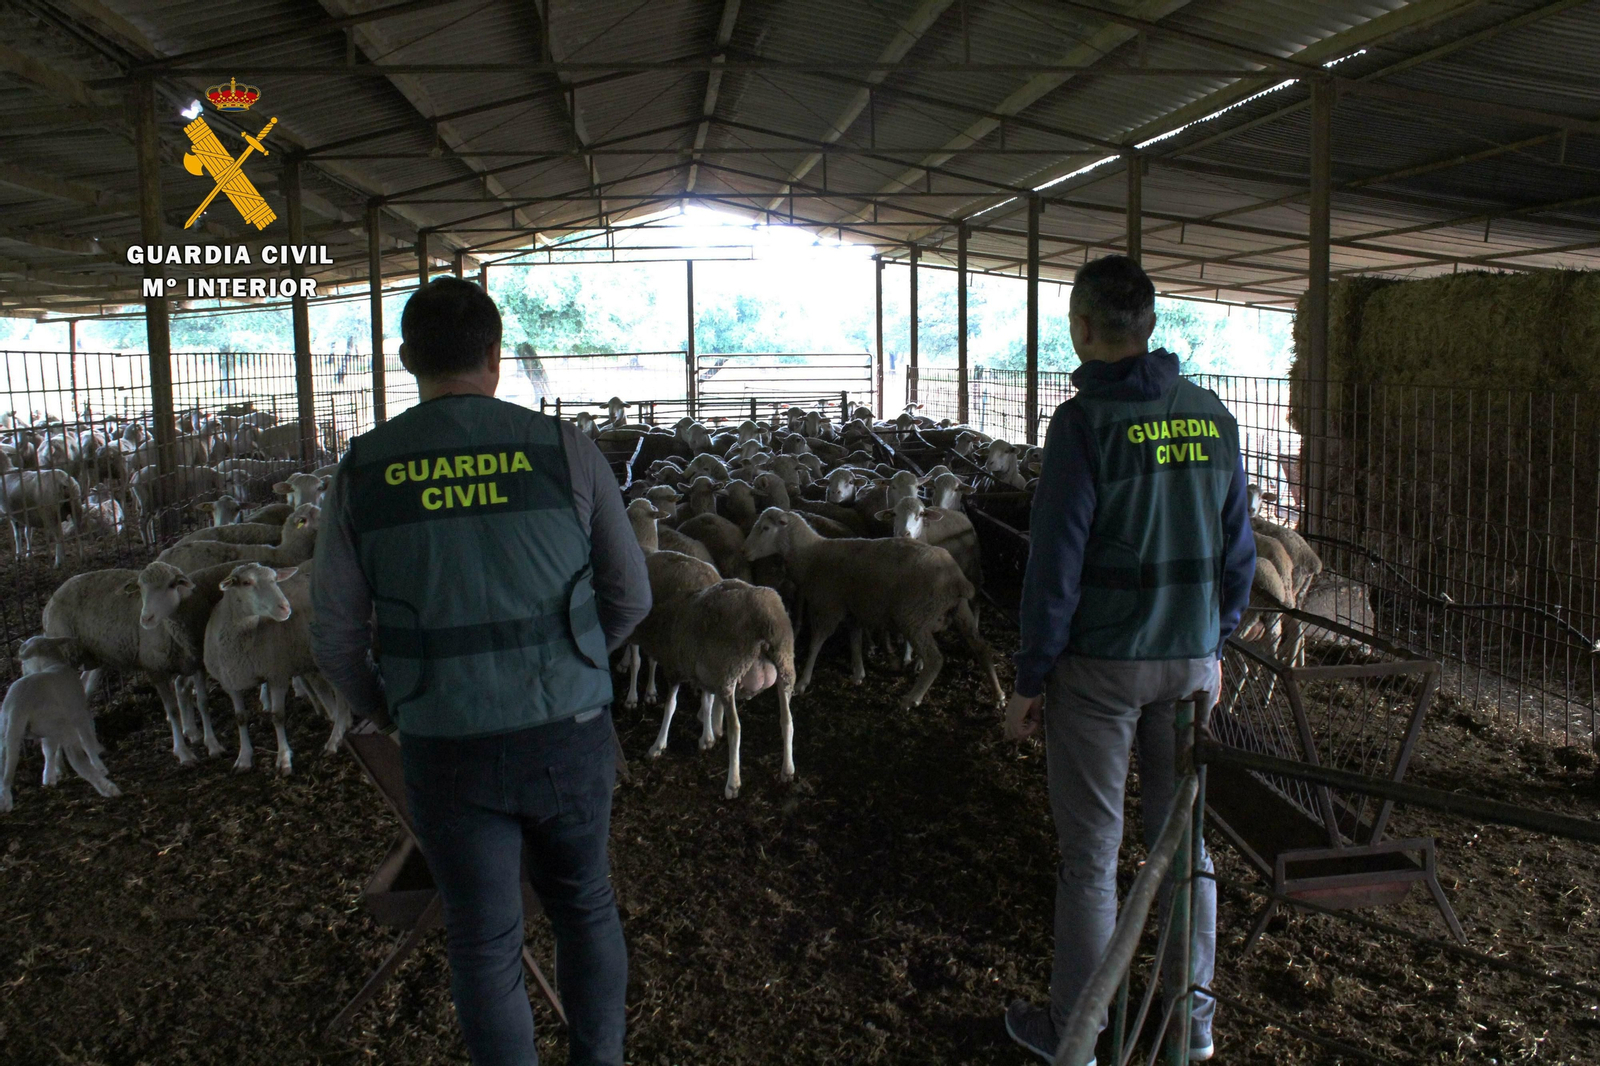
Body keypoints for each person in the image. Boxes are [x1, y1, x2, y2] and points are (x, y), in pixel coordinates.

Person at [310, 278, 651, 1066]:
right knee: (584, 906)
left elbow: (333, 637)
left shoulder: (363, 468)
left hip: (445, 741)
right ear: (496, 356)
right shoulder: (564, 449)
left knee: (484, 937)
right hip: (567, 731)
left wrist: (394, 709)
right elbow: (632, 596)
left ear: (406, 360)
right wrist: (576, 663)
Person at [1000, 256, 1255, 1065]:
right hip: (1189, 665)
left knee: (1092, 859)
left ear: (1081, 326)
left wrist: (1031, 676)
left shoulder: (1083, 425)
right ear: (1149, 325)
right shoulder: (1212, 416)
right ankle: (1194, 1023)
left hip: (1102, 671)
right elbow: (1239, 554)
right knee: (1184, 847)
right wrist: (1214, 641)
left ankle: (1077, 1033)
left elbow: (1055, 563)